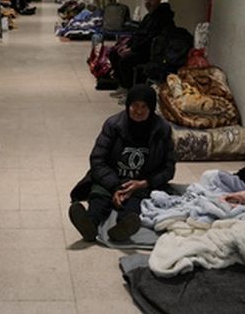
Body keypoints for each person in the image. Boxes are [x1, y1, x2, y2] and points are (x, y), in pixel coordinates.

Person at [69, 85, 176, 242]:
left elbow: (169, 168)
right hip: (111, 178)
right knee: (99, 198)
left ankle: (122, 228)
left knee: (134, 203)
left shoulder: (162, 130)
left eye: (144, 107)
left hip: (140, 183)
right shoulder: (113, 125)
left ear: (151, 108)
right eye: (134, 105)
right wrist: (115, 186)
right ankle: (90, 225)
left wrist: (144, 183)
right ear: (128, 105)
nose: (138, 111)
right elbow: (97, 160)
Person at [108, 0, 175, 95]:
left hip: (150, 52)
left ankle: (131, 91)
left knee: (125, 61)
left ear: (159, 0)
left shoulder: (163, 18)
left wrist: (132, 49)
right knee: (113, 53)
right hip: (138, 48)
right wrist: (126, 45)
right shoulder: (148, 17)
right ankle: (123, 85)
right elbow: (138, 34)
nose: (148, 2)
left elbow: (150, 40)